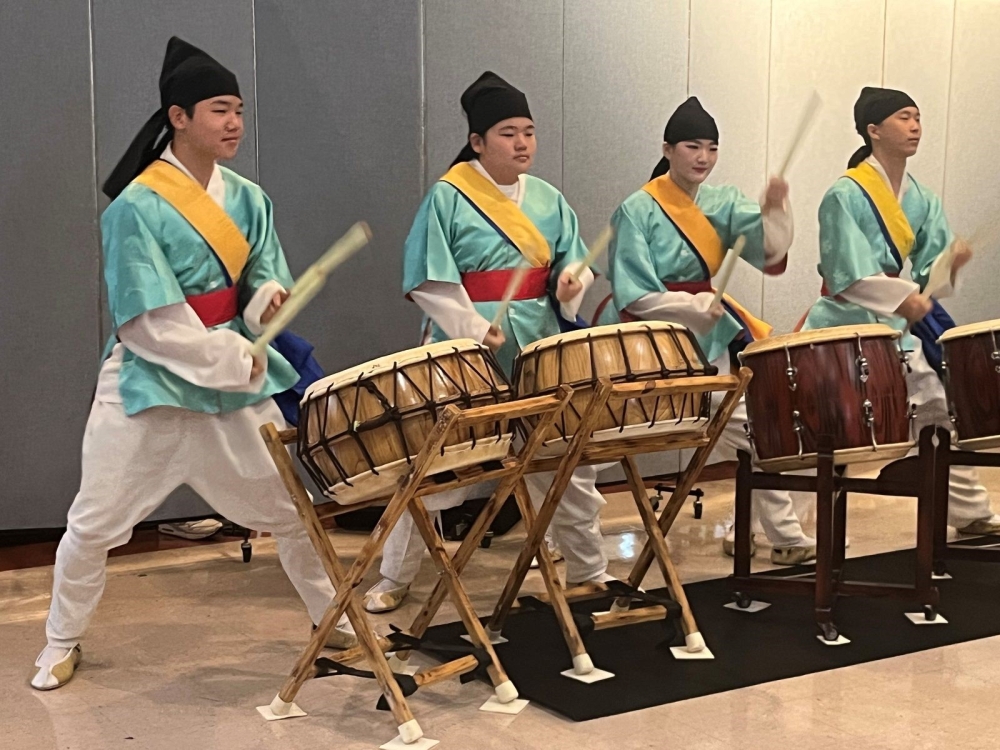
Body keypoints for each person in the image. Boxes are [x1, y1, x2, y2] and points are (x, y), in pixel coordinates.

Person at [32, 37, 353, 691]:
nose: (234, 122)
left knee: (290, 511)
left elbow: (263, 284)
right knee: (93, 525)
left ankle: (332, 619)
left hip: (231, 385)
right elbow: (146, 321)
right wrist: (228, 352)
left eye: (238, 109)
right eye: (218, 109)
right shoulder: (134, 208)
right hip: (150, 384)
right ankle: (60, 640)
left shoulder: (250, 199)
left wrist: (266, 306)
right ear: (178, 117)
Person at [364, 72, 610, 613]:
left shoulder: (548, 197)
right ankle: (394, 575)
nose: (522, 143)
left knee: (563, 455)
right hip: (467, 346)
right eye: (507, 133)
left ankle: (590, 570)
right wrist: (473, 327)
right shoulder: (448, 197)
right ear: (477, 141)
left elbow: (572, 260)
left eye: (528, 131)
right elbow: (427, 277)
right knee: (435, 465)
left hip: (539, 341)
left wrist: (573, 283)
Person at [598, 96, 815, 563]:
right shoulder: (637, 209)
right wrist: (690, 307)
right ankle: (780, 535)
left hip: (713, 333)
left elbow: (769, 249)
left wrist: (776, 209)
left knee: (757, 428)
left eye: (711, 148)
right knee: (752, 431)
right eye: (693, 146)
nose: (703, 158)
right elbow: (633, 293)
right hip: (659, 341)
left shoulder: (723, 201)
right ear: (668, 148)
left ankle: (764, 533)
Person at [800, 86, 999, 537]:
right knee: (822, 430)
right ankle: (780, 530)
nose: (914, 126)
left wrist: (951, 265)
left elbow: (932, 281)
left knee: (937, 408)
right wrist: (901, 297)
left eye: (918, 117)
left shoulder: (921, 198)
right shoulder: (843, 195)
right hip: (842, 324)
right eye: (904, 118)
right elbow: (844, 273)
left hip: (896, 326)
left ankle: (968, 512)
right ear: (873, 130)